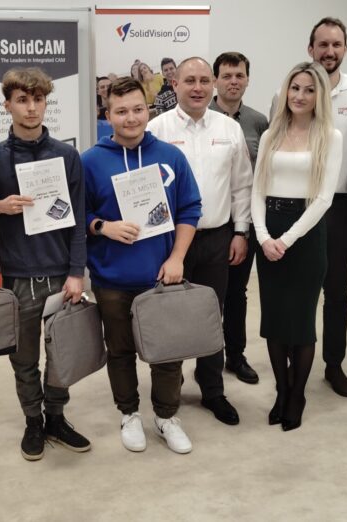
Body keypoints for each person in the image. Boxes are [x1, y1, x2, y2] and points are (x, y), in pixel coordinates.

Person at [83, 77, 202, 454]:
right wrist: (103, 227)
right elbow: (78, 214)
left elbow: (190, 208)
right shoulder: (90, 161)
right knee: (119, 351)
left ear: (148, 110)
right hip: (111, 278)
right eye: (121, 111)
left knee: (167, 352)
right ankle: (129, 413)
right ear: (108, 115)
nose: (131, 118)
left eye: (137, 109)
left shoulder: (171, 156)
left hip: (161, 276)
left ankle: (166, 417)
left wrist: (177, 258)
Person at [0, 67, 91, 461]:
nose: (31, 108)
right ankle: (33, 421)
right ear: (7, 105)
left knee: (62, 353)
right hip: (18, 275)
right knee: (24, 358)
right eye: (22, 100)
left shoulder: (66, 155)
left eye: (38, 99)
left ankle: (57, 417)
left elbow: (78, 219)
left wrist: (76, 272)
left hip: (61, 274)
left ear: (46, 103)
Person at [147, 57, 253, 426]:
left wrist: (241, 232)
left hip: (217, 238)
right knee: (170, 317)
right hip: (169, 242)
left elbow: (242, 185)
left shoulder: (229, 129)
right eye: (189, 80)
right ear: (174, 84)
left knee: (211, 315)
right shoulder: (157, 128)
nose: (197, 87)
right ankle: (169, 383)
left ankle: (212, 388)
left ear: (213, 85)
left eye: (204, 81)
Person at [280, 17, 347, 398]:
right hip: (296, 203)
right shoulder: (290, 91)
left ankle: (333, 364)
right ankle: (292, 359)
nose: (329, 51)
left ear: (345, 49)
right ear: (311, 49)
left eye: (336, 44)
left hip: (339, 205)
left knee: (336, 290)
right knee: (296, 287)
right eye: (322, 44)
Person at [252, 62, 342, 431]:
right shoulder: (271, 134)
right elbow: (258, 189)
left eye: (309, 89)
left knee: (301, 322)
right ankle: (282, 390)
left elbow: (324, 198)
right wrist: (262, 236)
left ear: (319, 95)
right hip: (268, 231)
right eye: (294, 88)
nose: (300, 96)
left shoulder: (330, 136)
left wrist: (286, 240)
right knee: (274, 320)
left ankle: (297, 395)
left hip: (305, 233)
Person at [209, 51, 270, 386]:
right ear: (215, 80)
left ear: (247, 79)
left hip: (244, 220)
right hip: (209, 221)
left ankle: (235, 355)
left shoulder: (259, 122)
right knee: (205, 296)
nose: (233, 82)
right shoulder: (203, 117)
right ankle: (205, 357)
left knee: (236, 292)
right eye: (227, 75)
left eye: (240, 76)